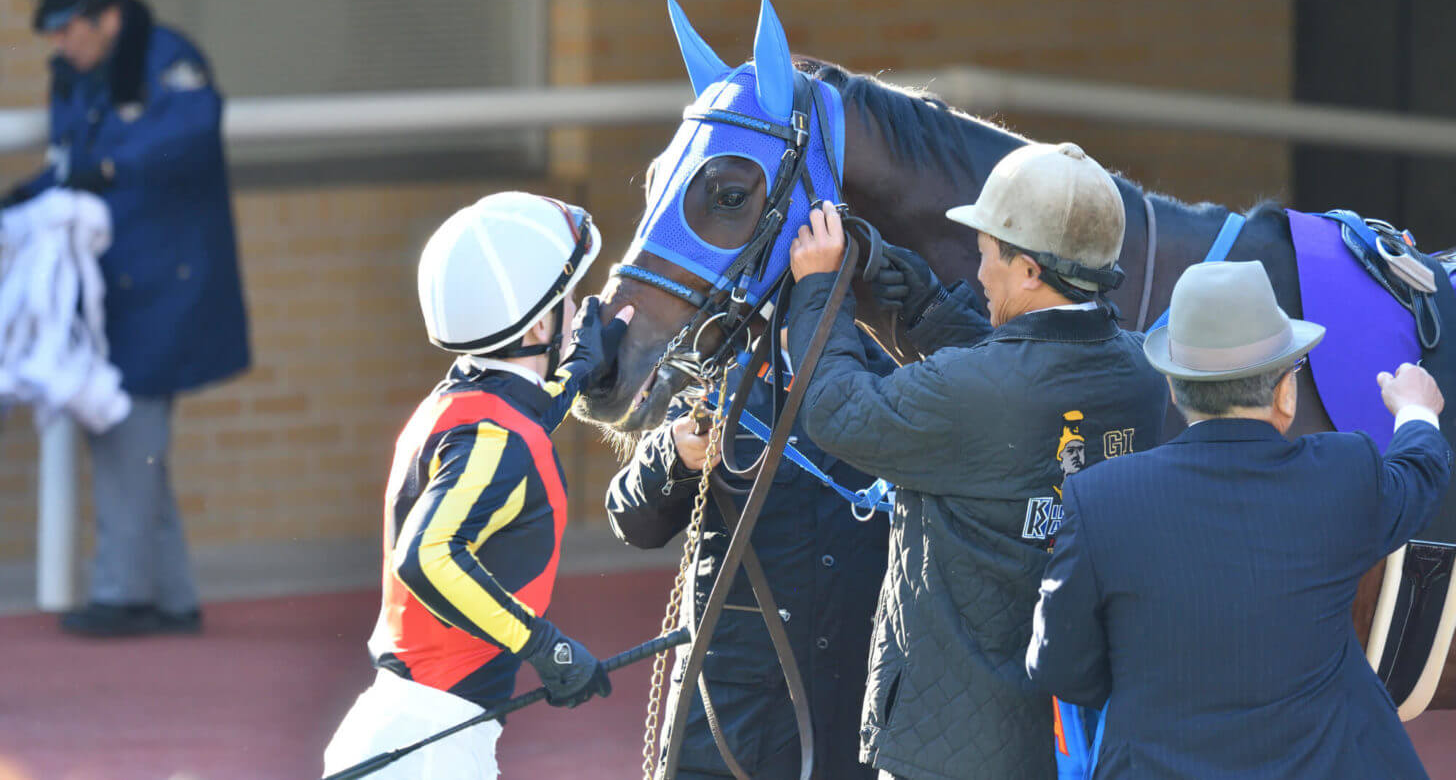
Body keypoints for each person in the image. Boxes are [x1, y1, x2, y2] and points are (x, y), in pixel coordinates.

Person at [785, 142, 1168, 780]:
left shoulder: (976, 390)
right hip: (1079, 740)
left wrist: (820, 293)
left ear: (1028, 273)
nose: (980, 271)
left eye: (988, 253)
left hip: (954, 749)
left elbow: (835, 411)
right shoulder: (1141, 372)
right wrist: (931, 311)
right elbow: (1032, 377)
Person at [1026, 260, 1452, 780]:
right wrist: (1416, 410)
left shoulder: (1098, 499)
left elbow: (1058, 665)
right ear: (1284, 391)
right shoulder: (1343, 474)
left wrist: (1144, 675)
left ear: (1176, 389)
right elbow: (1420, 478)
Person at [323, 192, 631, 779]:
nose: (575, 310)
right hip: (430, 751)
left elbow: (514, 431)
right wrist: (546, 647)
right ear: (540, 322)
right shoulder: (497, 436)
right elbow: (427, 555)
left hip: (411, 734)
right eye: (566, 300)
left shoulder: (461, 405)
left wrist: (574, 374)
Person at [4, 0, 249, 637]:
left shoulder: (168, 60)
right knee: (133, 444)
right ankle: (171, 598)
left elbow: (188, 135)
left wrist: (106, 168)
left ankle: (124, 593)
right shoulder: (77, 76)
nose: (57, 42)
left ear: (106, 17)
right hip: (115, 288)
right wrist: (25, 199)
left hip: (166, 288)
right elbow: (71, 164)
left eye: (65, 28)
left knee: (126, 433)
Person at [606, 327, 893, 780]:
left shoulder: (898, 374)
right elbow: (634, 522)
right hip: (732, 710)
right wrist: (672, 454)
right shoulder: (712, 378)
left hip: (861, 707)